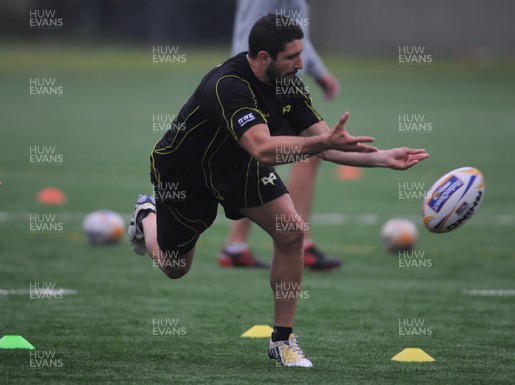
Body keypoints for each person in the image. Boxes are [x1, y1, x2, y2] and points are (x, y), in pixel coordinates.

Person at [128, 14, 428, 367]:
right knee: (174, 266)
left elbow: (326, 145)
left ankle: (282, 341)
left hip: (238, 165)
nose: (301, 64)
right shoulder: (229, 84)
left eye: (301, 54)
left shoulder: (288, 85)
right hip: (186, 174)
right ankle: (146, 216)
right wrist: (321, 142)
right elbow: (263, 147)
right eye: (292, 57)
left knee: (292, 232)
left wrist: (383, 157)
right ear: (264, 58)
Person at [220, 0, 342, 270]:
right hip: (262, 80)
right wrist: (253, 83)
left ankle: (236, 245)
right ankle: (301, 241)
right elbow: (266, 37)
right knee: (307, 147)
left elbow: (290, 38)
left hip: (265, 76)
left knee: (263, 155)